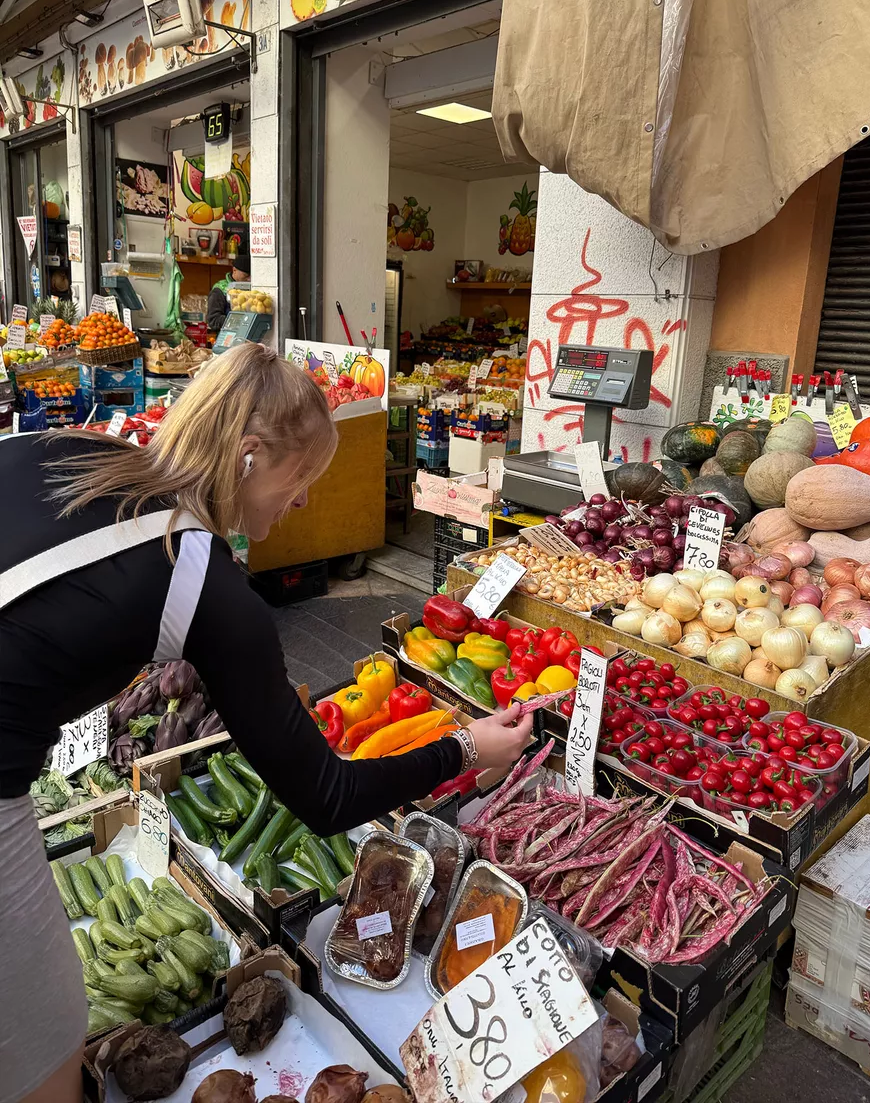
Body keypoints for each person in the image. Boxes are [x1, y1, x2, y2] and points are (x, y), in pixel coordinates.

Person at [0, 342, 533, 1103]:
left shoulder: (63, 448)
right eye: (301, 478)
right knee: (47, 1031)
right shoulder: (200, 581)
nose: (305, 502)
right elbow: (326, 796)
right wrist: (463, 747)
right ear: (249, 455)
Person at [206, 252, 250, 332]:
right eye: (246, 275)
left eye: (251, 276)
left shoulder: (253, 289)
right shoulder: (220, 290)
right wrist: (239, 321)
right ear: (234, 270)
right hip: (227, 335)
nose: (249, 279)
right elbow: (213, 320)